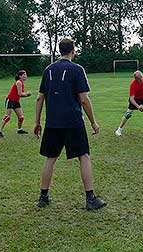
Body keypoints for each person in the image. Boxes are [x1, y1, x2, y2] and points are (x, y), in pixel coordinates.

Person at [34, 38, 107, 210]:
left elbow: (39, 98)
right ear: (73, 50)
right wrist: (94, 123)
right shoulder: (77, 69)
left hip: (52, 122)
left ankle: (43, 197)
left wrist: (37, 122)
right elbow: (84, 99)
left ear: (60, 50)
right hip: (73, 122)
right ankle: (90, 198)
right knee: (84, 156)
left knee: (50, 158)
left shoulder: (48, 70)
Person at [0, 70, 32, 137]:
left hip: (16, 101)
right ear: (20, 76)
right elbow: (20, 94)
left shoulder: (21, 83)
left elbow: (19, 94)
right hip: (10, 100)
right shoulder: (19, 82)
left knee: (21, 117)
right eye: (24, 75)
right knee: (7, 117)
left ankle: (19, 129)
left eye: (26, 75)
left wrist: (26, 94)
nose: (25, 76)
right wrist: (27, 94)